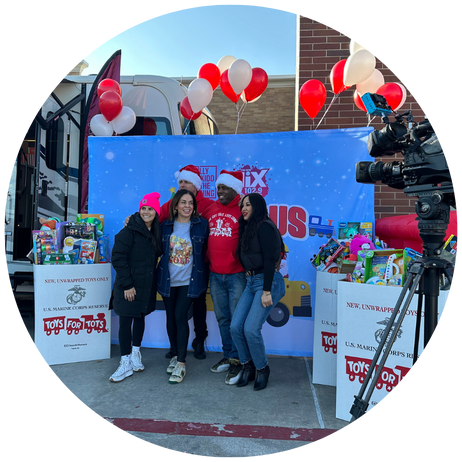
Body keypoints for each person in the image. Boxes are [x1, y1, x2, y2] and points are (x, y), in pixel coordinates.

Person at [126, 165, 213, 360]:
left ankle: (199, 341)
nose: (183, 184)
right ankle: (176, 349)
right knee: (173, 315)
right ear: (176, 205)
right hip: (171, 272)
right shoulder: (169, 209)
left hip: (198, 268)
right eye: (180, 181)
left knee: (196, 307)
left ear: (196, 185)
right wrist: (133, 219)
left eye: (187, 182)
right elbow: (150, 217)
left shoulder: (208, 206)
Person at [230, 193, 286, 391]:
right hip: (251, 281)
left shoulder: (264, 225)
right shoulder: (248, 227)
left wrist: (266, 291)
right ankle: (248, 366)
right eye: (242, 205)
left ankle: (262, 368)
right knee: (235, 326)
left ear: (257, 206)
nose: (243, 208)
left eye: (247, 205)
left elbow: (271, 259)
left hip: (267, 283)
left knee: (250, 329)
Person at [109, 192, 163, 383]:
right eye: (143, 208)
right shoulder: (128, 231)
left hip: (146, 286)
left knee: (140, 317)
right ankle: (125, 362)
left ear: (156, 213)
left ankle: (135, 354)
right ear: (139, 210)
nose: (146, 212)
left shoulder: (156, 232)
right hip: (128, 287)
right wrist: (127, 285)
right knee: (125, 322)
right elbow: (118, 258)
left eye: (150, 209)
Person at [157, 189, 209, 384]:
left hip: (190, 281)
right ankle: (174, 355)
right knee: (171, 318)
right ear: (176, 205)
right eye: (183, 202)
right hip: (168, 280)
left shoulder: (201, 225)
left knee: (180, 317)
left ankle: (181, 362)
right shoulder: (165, 226)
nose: (188, 206)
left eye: (191, 203)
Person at [203, 170, 247, 385]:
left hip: (237, 275)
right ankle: (229, 355)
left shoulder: (243, 209)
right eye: (219, 187)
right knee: (223, 318)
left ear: (235, 189)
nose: (219, 191)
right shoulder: (210, 208)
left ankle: (239, 360)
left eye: (224, 188)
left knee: (237, 321)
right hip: (215, 274)